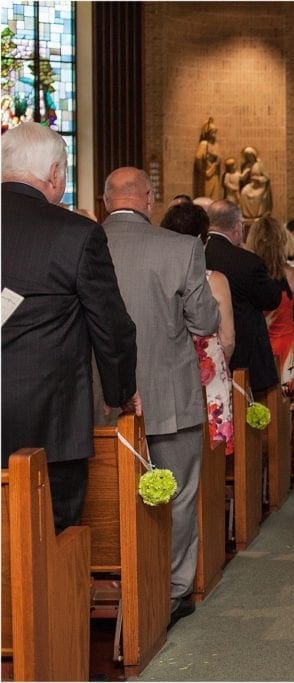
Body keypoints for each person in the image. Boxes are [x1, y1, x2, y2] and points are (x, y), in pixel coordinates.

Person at [1, 122, 139, 533]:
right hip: (49, 424)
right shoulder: (76, 234)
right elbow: (110, 325)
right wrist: (121, 392)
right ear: (55, 173)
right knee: (50, 538)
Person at [102, 167, 220, 628]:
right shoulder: (181, 248)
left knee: (106, 491)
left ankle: (115, 580)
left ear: (106, 200)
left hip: (102, 398)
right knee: (180, 493)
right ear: (149, 199)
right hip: (168, 394)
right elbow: (205, 322)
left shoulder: (84, 242)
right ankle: (171, 592)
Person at [160, 203, 236, 455]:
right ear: (203, 242)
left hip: (169, 373)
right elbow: (227, 338)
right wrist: (218, 364)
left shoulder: (159, 277)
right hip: (209, 370)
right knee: (213, 447)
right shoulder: (215, 280)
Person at [205, 200, 282, 393]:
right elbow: (272, 299)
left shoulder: (196, 253)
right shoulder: (247, 260)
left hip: (206, 353)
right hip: (246, 355)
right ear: (238, 227)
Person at [246, 216, 294, 411]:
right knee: (290, 407)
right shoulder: (292, 274)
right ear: (282, 241)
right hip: (287, 346)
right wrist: (289, 333)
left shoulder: (248, 272)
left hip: (256, 347)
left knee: (260, 406)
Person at [239, 146, 272, 222]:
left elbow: (267, 178)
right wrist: (246, 172)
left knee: (257, 195)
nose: (249, 158)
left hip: (260, 186)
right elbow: (242, 178)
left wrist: (259, 179)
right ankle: (247, 215)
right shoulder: (247, 165)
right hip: (252, 185)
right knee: (244, 192)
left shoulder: (259, 164)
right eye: (247, 156)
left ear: (253, 155)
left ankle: (257, 215)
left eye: (250, 156)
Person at [193, 117, 223, 200]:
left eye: (215, 132)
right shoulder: (204, 144)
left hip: (215, 174)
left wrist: (217, 160)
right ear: (208, 133)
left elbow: (219, 158)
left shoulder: (216, 145)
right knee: (206, 197)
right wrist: (203, 171)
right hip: (206, 175)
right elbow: (198, 157)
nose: (214, 135)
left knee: (215, 197)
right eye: (213, 132)